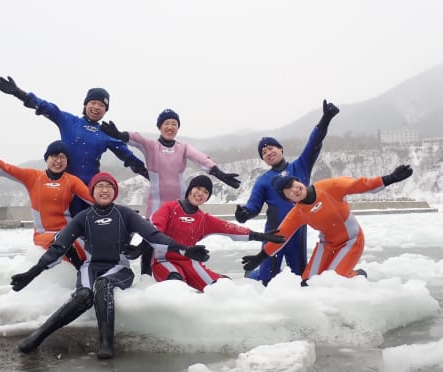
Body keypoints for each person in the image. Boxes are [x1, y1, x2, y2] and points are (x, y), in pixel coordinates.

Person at [9, 172, 210, 359]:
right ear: (92, 191)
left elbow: (154, 236)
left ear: (115, 192)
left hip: (119, 268)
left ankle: (106, 344)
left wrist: (185, 249)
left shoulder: (125, 214)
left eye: (109, 187)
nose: (104, 190)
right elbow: (59, 247)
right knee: (83, 295)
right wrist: (31, 273)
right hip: (90, 267)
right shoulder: (83, 217)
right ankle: (37, 337)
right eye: (99, 186)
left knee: (103, 285)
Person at [100, 108, 241, 274]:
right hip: (156, 205)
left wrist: (220, 173)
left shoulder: (183, 148)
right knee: (150, 237)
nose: (170, 127)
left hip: (179, 206)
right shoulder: (152, 146)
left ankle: (183, 271)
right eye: (166, 123)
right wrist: (120, 135)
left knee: (181, 240)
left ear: (178, 128)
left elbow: (200, 158)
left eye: (174, 124)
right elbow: (137, 139)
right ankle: (146, 276)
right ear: (159, 126)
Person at [0, 76, 149, 216]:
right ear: (86, 104)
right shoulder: (70, 121)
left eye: (102, 105)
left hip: (89, 189)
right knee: (64, 226)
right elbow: (47, 108)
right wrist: (19, 93)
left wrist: (150, 176)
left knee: (90, 228)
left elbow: (128, 157)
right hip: (63, 185)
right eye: (93, 102)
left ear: (105, 110)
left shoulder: (105, 132)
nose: (96, 107)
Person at [241, 165, 414, 286]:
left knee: (334, 281)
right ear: (289, 199)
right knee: (307, 282)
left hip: (351, 241)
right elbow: (281, 236)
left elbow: (361, 185)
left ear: (298, 181)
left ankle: (357, 274)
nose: (294, 189)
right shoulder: (298, 213)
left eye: (292, 184)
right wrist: (260, 256)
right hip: (327, 245)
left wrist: (391, 178)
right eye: (288, 191)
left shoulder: (329, 187)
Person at [235, 99, 340, 285]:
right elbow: (254, 206)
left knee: (300, 279)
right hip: (273, 234)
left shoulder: (300, 167)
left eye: (270, 148)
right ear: (263, 159)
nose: (268, 152)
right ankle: (254, 274)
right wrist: (244, 214)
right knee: (266, 281)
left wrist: (325, 120)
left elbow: (313, 143)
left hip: (297, 234)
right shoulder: (263, 180)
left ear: (280, 149)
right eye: (264, 152)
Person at [0, 138, 93, 267]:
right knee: (64, 242)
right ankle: (78, 276)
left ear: (67, 161)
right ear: (47, 159)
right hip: (43, 235)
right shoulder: (33, 177)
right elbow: (5, 169)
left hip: (68, 234)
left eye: (63, 157)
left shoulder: (72, 181)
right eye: (54, 156)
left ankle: (89, 280)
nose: (58, 161)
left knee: (91, 253)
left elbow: (94, 199)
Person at [150, 175, 285, 292]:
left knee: (223, 286)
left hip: (189, 262)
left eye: (205, 192)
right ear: (190, 189)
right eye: (198, 188)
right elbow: (154, 233)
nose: (200, 193)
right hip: (164, 260)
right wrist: (183, 250)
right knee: (176, 283)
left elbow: (230, 228)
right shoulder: (169, 208)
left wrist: (261, 236)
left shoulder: (203, 219)